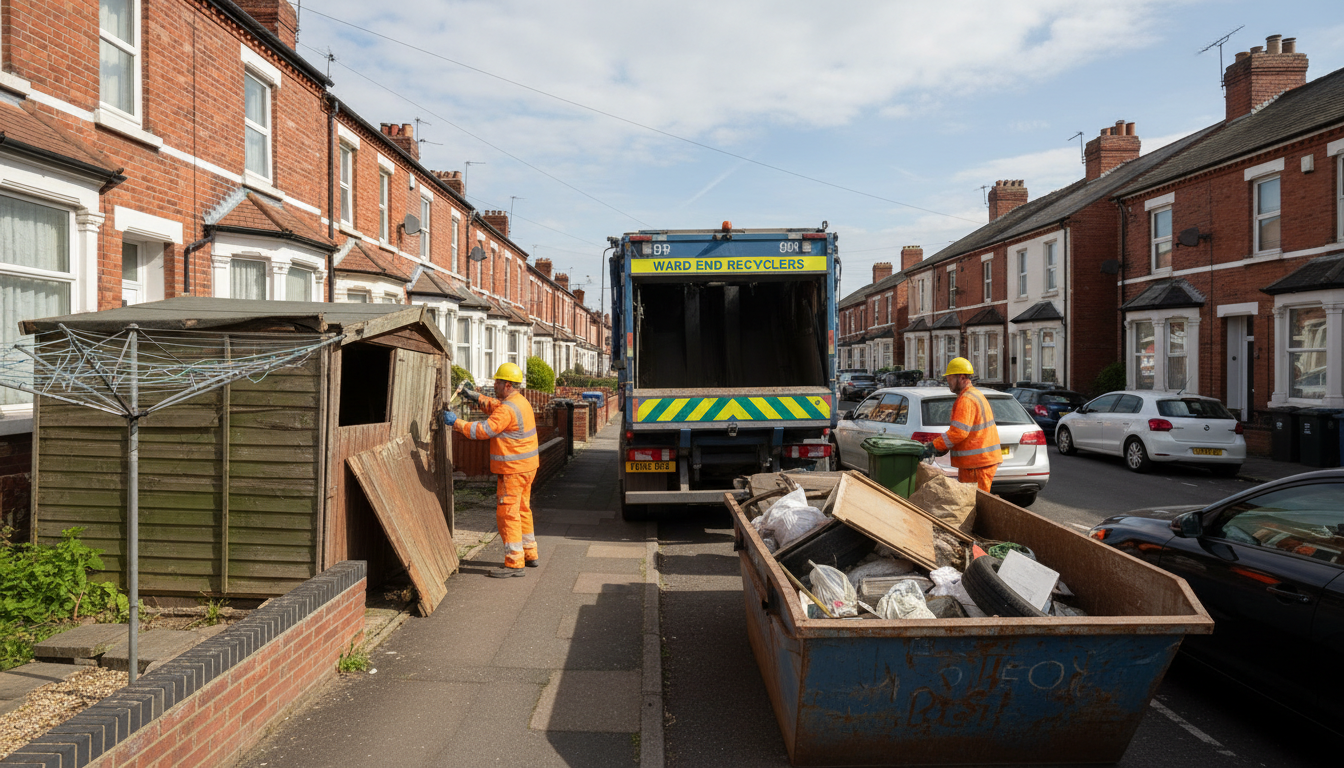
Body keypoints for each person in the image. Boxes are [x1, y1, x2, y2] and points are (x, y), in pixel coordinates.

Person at [443, 363, 540, 578]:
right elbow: (495, 406)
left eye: (497, 382)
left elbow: (484, 430)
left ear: (507, 385)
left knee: (507, 513)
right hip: (527, 468)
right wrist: (473, 396)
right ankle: (529, 553)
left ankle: (515, 563)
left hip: (512, 470)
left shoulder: (507, 408)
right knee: (523, 509)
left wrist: (456, 423)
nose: (494, 385)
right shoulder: (519, 402)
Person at [922, 357, 1002, 493]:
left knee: (973, 503)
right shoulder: (974, 395)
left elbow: (958, 432)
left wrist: (934, 446)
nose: (948, 382)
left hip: (976, 463)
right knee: (971, 502)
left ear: (962, 377)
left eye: (950, 378)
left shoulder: (966, 399)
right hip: (978, 462)